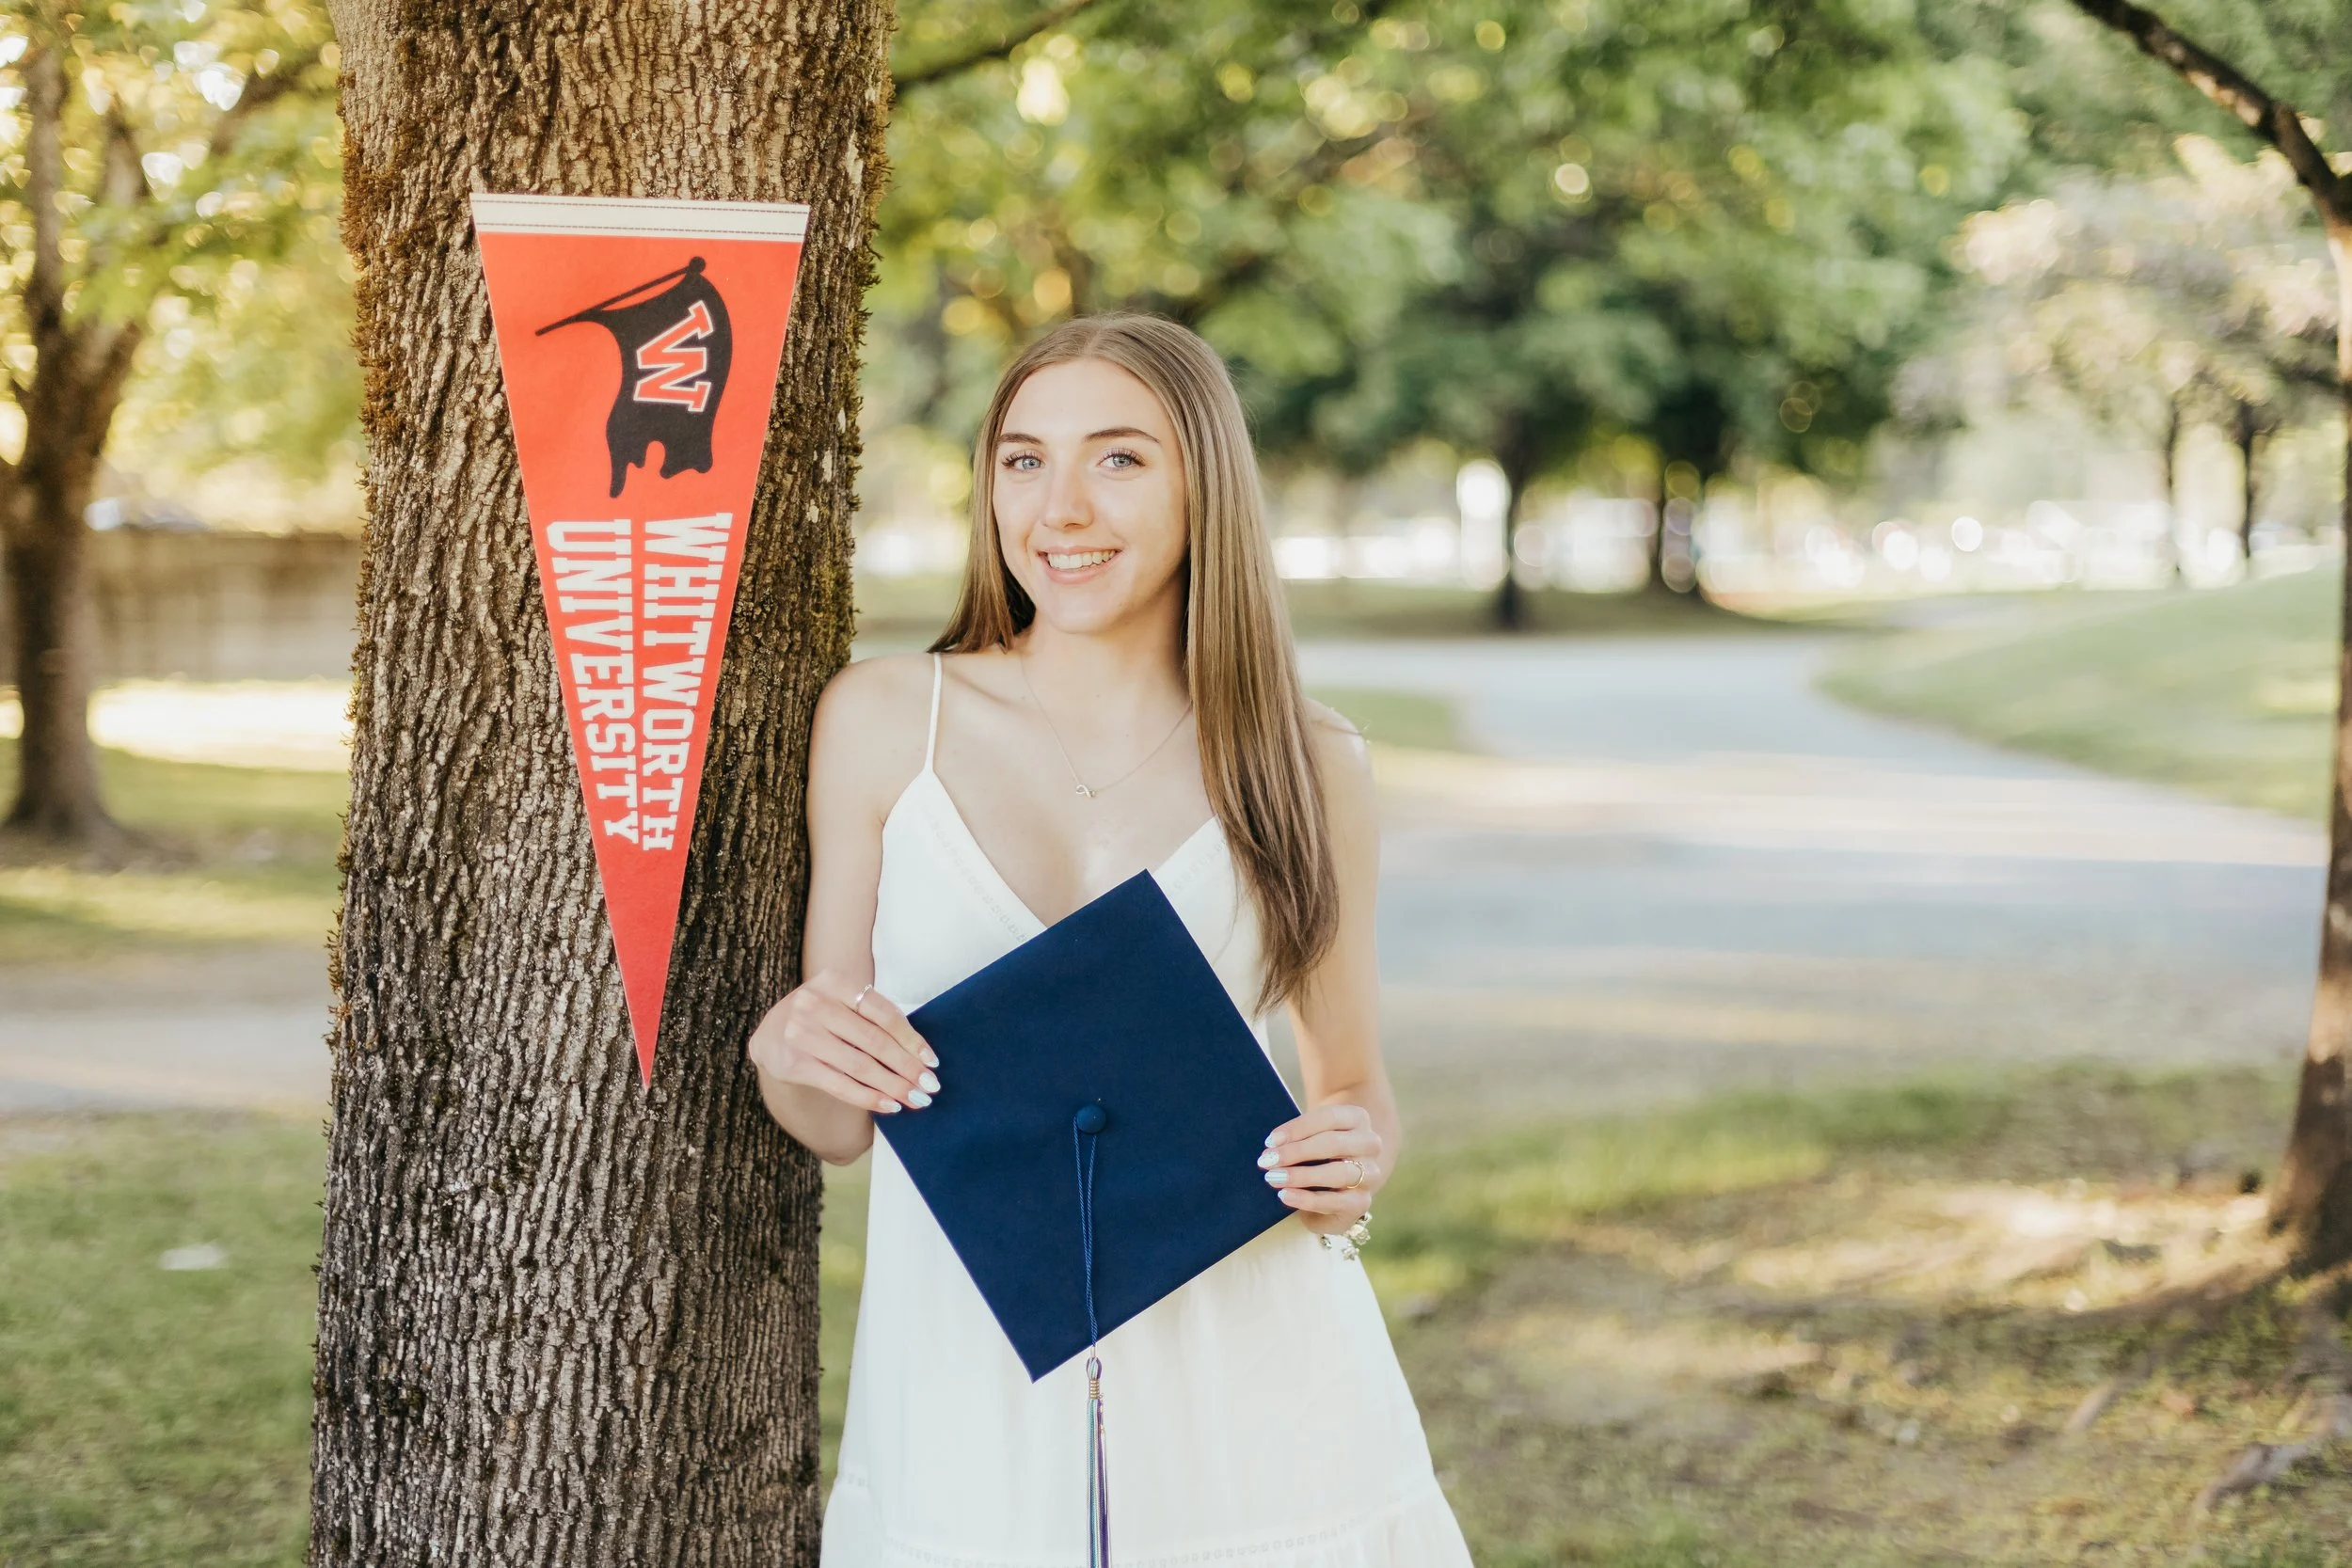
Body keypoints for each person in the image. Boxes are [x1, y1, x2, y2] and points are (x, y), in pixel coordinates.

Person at [747, 313, 1471, 1565]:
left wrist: (1354, 1156)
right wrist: (785, 1045)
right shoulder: (882, 720)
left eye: (1119, 458)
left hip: (1248, 1365)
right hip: (970, 1363)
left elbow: (1354, 1086)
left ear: (1205, 483)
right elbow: (838, 1120)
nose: (1060, 507)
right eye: (1024, 459)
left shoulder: (1307, 761)